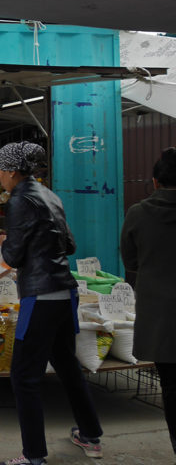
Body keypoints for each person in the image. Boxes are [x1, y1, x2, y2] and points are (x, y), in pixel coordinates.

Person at [0, 141, 103, 465]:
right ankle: (90, 435)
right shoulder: (51, 195)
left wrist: (4, 241)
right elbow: (69, 244)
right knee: (68, 367)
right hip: (65, 292)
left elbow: (12, 256)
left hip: (39, 297)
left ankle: (33, 456)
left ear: (12, 171)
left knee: (24, 377)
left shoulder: (19, 200)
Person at [120, 146, 176, 456]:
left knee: (170, 388)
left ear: (155, 182)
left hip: (160, 318)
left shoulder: (138, 213)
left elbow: (130, 260)